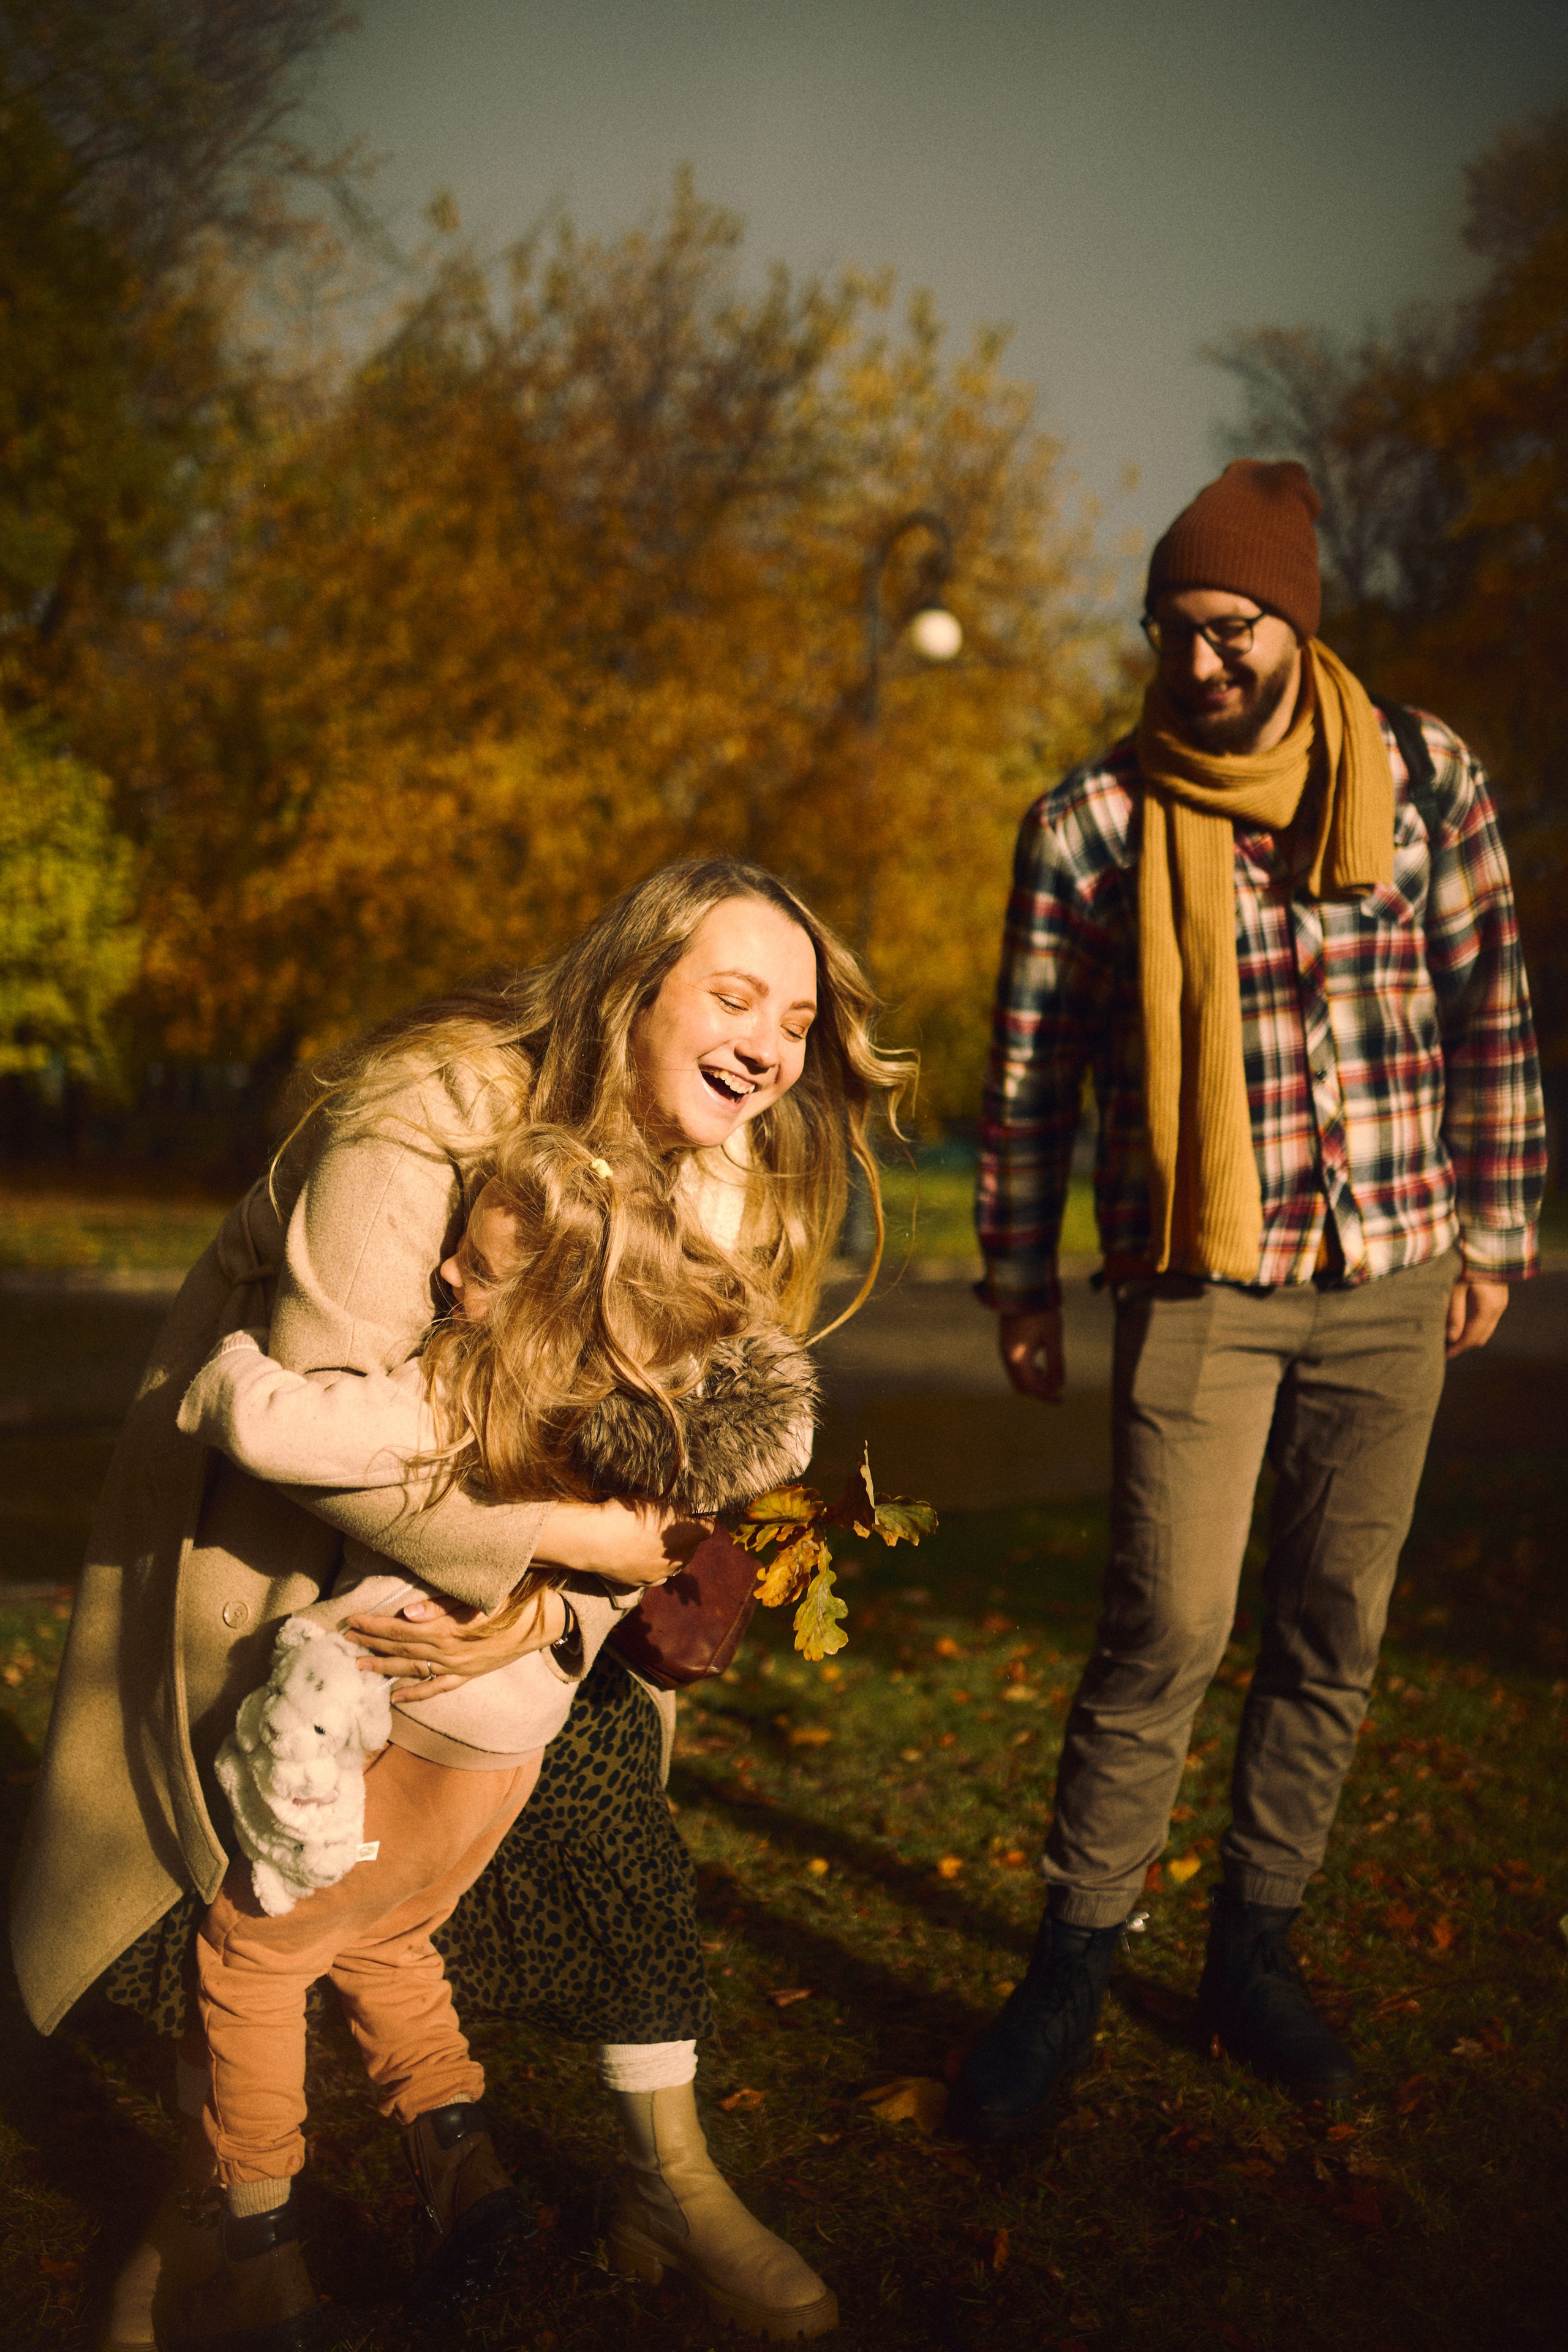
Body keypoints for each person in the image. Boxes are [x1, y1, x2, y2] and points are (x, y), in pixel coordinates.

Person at [13, 858, 908, 2347]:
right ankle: (215, 2221)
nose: (766, 1045)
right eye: (732, 997)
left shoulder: (715, 1160)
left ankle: (664, 2185)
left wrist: (627, 1569)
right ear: (633, 987)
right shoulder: (422, 1112)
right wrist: (579, 1542)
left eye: (796, 1018)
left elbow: (710, 1413)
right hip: (307, 1561)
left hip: (549, 1596)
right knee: (250, 1887)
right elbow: (335, 1430)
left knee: (607, 1843)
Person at [953, 461, 1545, 2141]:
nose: (1199, 665)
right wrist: (1019, 1279)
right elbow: (1031, 1076)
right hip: (1197, 1283)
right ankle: (1075, 1955)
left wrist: (1496, 1235)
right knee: (1166, 1629)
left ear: (1297, 620)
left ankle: (1254, 1951)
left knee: (1334, 1627)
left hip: (1394, 1268)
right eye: (1173, 632)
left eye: (1230, 630)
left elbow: (1490, 1011)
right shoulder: (1091, 823)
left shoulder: (1424, 778)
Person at [170, 1125, 818, 2341]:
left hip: (397, 1732)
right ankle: (465, 2161)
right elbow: (643, 1560)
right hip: (503, 1758)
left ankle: (257, 2232)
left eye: (474, 1270)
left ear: (545, 1309)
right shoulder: (639, 1428)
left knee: (250, 1955)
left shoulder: (450, 1398)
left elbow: (266, 1430)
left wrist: (234, 1358)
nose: (445, 1282)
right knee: (388, 1938)